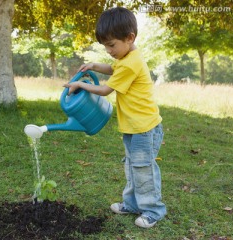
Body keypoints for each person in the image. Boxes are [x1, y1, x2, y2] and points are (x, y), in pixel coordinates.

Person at [63, 7, 166, 228]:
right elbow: (112, 69)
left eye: (112, 45)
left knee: (143, 168)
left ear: (129, 38)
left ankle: (153, 210)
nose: (109, 50)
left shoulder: (131, 62)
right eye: (105, 46)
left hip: (144, 128)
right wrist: (93, 65)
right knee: (131, 166)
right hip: (134, 126)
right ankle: (131, 204)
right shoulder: (128, 56)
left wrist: (81, 84)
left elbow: (105, 90)